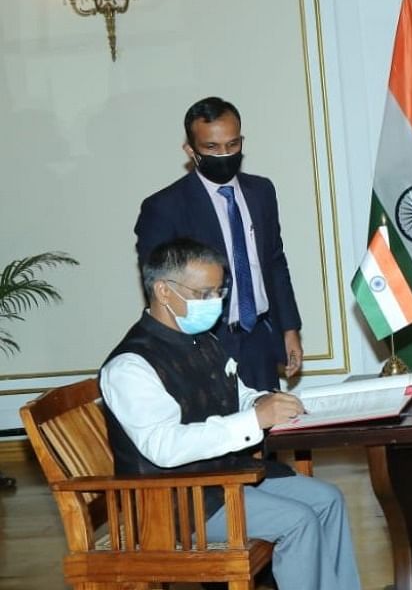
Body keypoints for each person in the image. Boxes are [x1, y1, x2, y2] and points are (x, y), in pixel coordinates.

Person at [99, 238, 360, 590]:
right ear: (163, 290)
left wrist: (263, 402)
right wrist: (254, 420)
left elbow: (236, 394)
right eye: (203, 293)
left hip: (220, 480)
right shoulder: (130, 365)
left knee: (328, 500)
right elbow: (164, 446)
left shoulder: (201, 339)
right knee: (298, 522)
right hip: (173, 504)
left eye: (218, 293)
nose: (215, 304)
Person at [135, 96, 303, 391]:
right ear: (191, 150)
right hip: (203, 344)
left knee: (267, 430)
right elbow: (160, 288)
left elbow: (274, 262)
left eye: (232, 144)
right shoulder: (165, 207)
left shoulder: (261, 191)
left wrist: (290, 329)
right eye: (211, 147)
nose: (224, 154)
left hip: (260, 337)